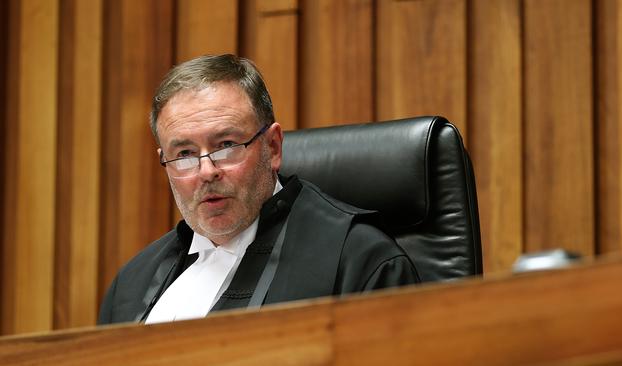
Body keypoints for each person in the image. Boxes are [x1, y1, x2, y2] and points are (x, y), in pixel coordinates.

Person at [98, 54, 420, 325]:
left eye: (226, 145)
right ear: (164, 162)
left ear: (273, 147)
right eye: (184, 154)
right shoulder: (131, 286)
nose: (206, 171)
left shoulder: (360, 261)